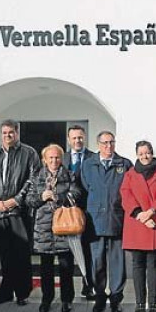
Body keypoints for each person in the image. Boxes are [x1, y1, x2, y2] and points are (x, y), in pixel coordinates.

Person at [0, 119, 40, 306]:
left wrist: (16, 200)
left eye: (11, 132)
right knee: (5, 255)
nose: (8, 136)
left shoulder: (29, 153)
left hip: (19, 212)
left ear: (17, 132)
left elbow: (33, 180)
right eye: (4, 133)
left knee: (21, 253)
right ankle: (5, 292)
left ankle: (22, 293)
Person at [26, 144, 84, 312]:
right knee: (46, 267)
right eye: (50, 158)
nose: (54, 161)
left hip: (64, 225)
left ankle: (67, 299)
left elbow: (77, 193)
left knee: (66, 266)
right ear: (44, 160)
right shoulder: (37, 177)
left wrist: (59, 197)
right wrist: (41, 197)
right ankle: (47, 298)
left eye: (57, 157)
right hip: (43, 228)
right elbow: (29, 200)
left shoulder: (69, 175)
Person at [80, 130, 132, 312]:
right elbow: (86, 188)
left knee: (118, 262)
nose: (108, 146)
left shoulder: (124, 164)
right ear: (98, 144)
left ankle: (116, 298)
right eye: (104, 143)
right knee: (97, 262)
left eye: (111, 142)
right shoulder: (88, 165)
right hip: (95, 221)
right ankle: (100, 296)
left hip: (117, 219)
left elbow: (129, 191)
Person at [120, 140, 156, 312]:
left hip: (154, 222)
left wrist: (151, 213)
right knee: (137, 265)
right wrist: (139, 215)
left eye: (147, 152)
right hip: (136, 223)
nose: (144, 156)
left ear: (152, 153)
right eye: (141, 153)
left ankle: (153, 304)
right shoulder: (130, 174)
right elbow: (125, 195)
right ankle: (140, 304)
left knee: (153, 266)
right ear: (137, 154)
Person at [62, 124, 97, 300]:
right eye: (74, 138)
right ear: (69, 139)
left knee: (88, 252)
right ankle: (67, 293)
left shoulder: (93, 157)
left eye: (80, 137)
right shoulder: (61, 158)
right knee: (67, 253)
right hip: (67, 213)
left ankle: (88, 287)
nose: (78, 140)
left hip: (88, 212)